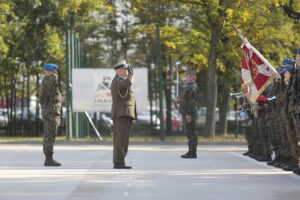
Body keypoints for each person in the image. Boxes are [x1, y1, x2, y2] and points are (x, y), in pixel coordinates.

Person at [110, 60, 136, 169]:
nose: (127, 71)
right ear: (119, 71)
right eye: (125, 69)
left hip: (123, 113)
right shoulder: (118, 81)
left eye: (127, 69)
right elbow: (129, 82)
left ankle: (120, 161)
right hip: (121, 113)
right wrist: (131, 74)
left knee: (122, 139)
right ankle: (119, 162)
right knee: (121, 139)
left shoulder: (120, 80)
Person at [39, 63, 62, 166]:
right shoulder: (50, 79)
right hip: (51, 111)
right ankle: (48, 159)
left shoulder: (45, 80)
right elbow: (54, 79)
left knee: (49, 133)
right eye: (54, 71)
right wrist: (53, 74)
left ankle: (48, 158)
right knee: (50, 134)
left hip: (48, 110)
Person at [176, 70, 199, 158]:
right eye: (187, 76)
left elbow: (192, 102)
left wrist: (189, 114)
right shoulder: (188, 87)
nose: (187, 78)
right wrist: (180, 101)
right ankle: (190, 151)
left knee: (192, 133)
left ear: (193, 77)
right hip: (186, 112)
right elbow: (186, 101)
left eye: (189, 76)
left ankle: (192, 152)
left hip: (190, 113)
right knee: (189, 133)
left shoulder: (193, 87)